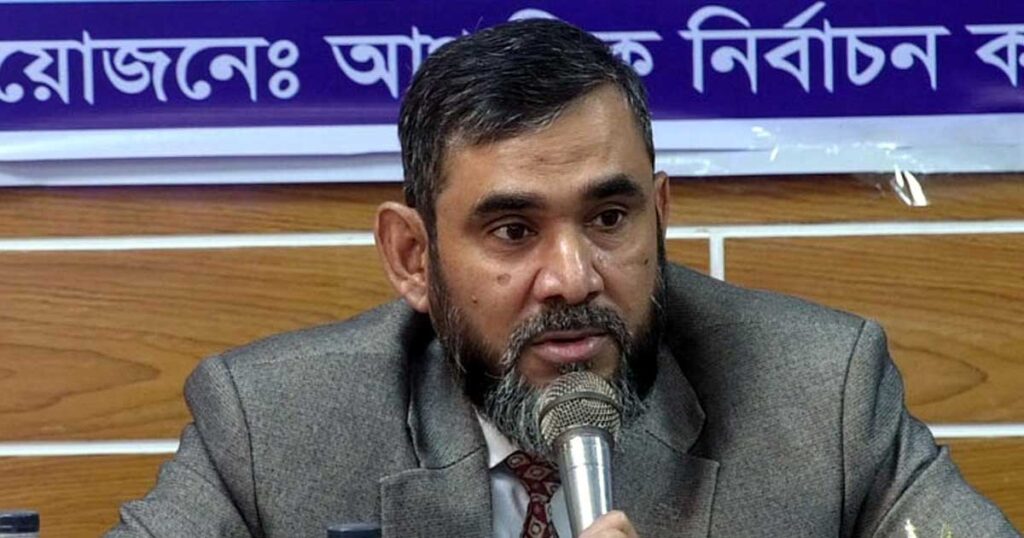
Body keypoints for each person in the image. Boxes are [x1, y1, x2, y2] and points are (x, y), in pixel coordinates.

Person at [107, 19, 1019, 538]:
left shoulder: (821, 394)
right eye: (513, 231)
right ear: (414, 258)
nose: (573, 278)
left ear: (660, 214)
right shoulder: (273, 426)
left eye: (610, 218)